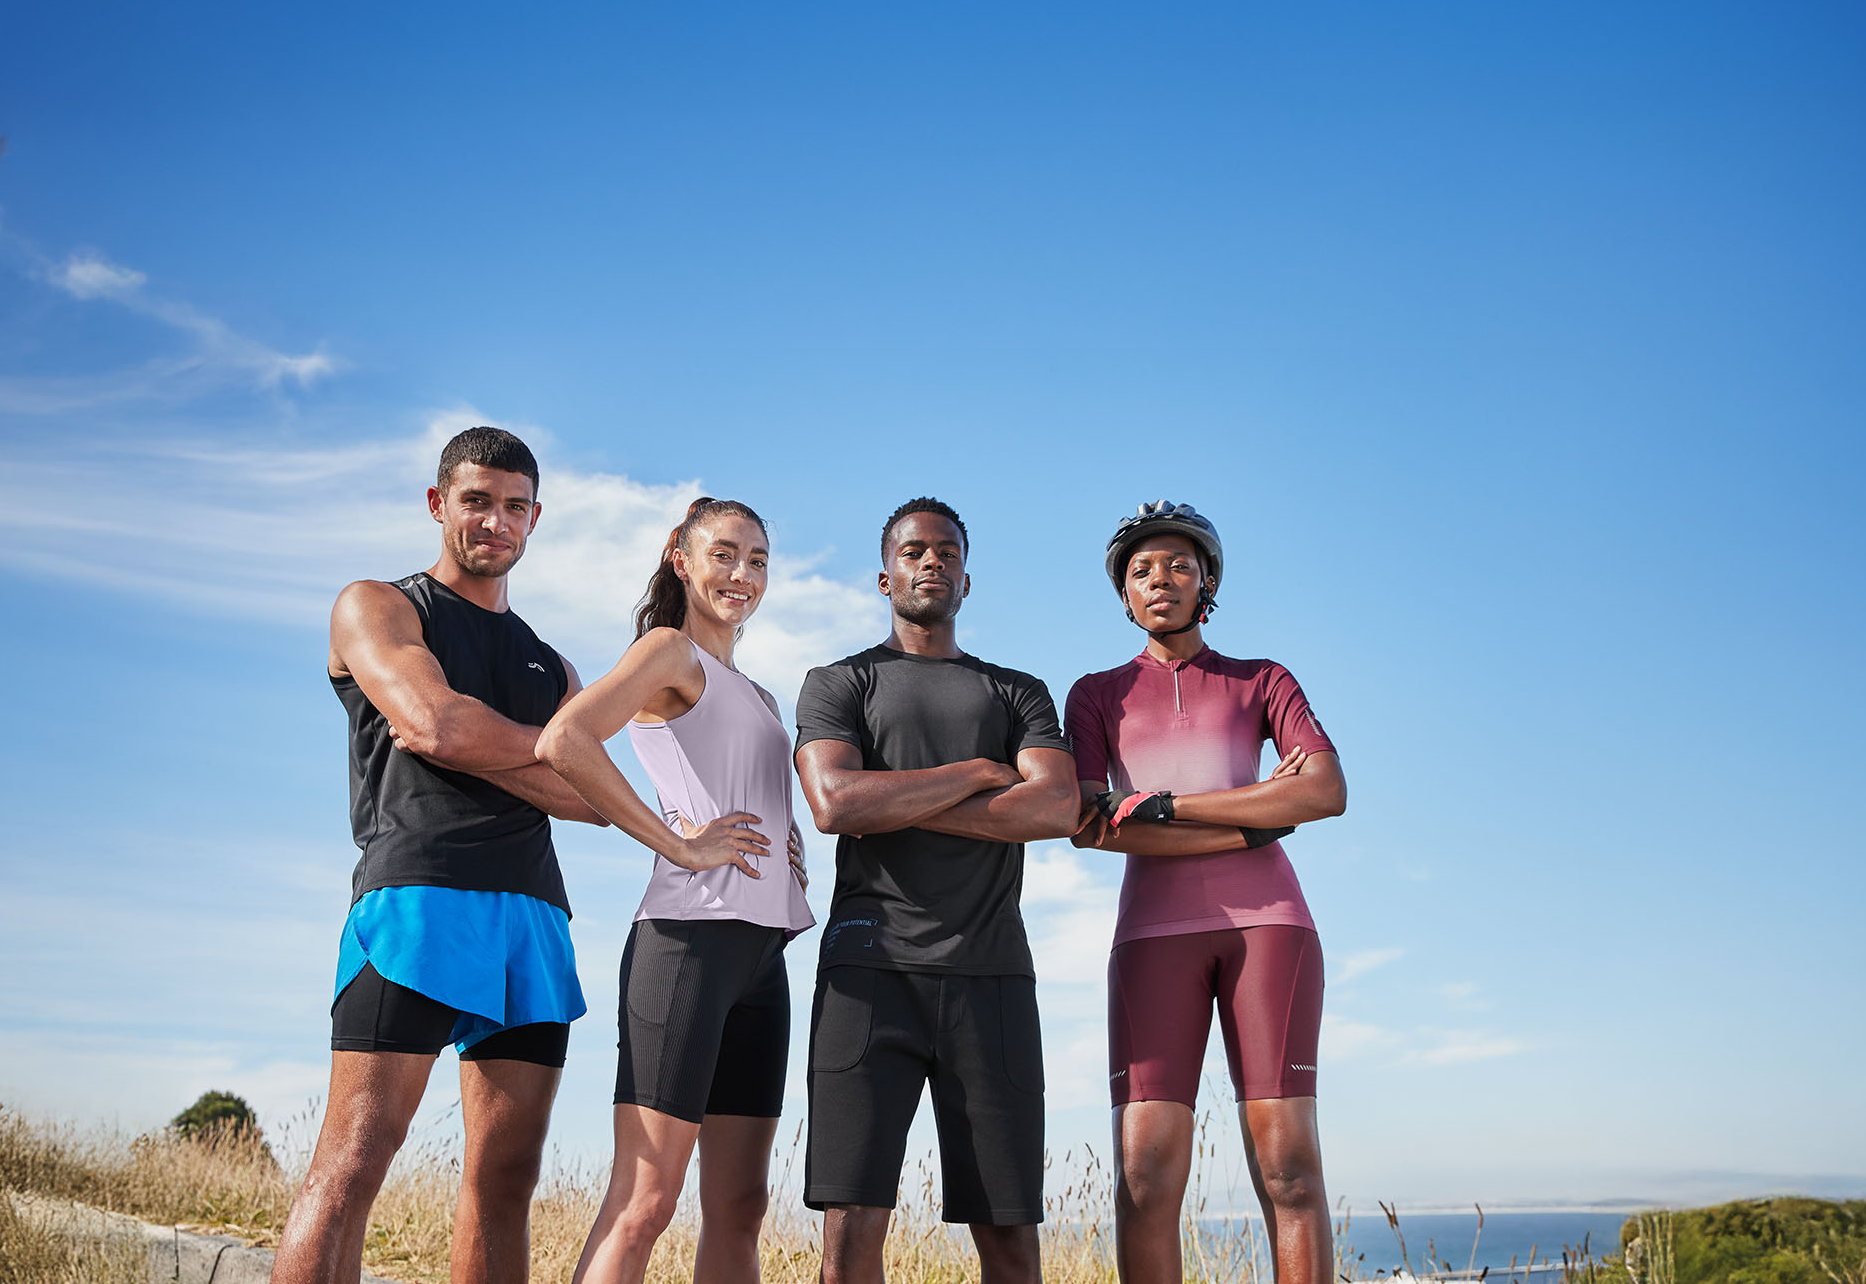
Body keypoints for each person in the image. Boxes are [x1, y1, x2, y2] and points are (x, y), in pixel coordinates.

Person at [274, 427, 609, 1284]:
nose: (496, 521)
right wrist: (544, 752)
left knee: (506, 1179)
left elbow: (595, 797)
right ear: (438, 504)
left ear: (535, 519)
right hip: (419, 897)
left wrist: (476, 743)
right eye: (477, 501)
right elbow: (431, 722)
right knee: (353, 1162)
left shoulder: (553, 665)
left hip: (534, 914)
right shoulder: (379, 606)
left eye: (514, 506)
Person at [794, 498, 1081, 1284]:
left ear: (967, 578)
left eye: (948, 552)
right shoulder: (839, 682)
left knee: (1010, 1234)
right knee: (852, 1229)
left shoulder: (1017, 691)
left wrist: (896, 801)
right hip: (868, 974)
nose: (931, 563)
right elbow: (835, 803)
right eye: (914, 551)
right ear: (884, 577)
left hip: (992, 978)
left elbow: (1057, 807)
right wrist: (980, 773)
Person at [1063, 500, 1348, 1284]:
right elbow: (1088, 824)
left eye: (1180, 566)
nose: (1161, 580)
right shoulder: (1095, 694)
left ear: (1207, 582)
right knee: (1145, 1176)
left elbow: (1325, 791)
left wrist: (1163, 807)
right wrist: (1257, 820)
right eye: (1142, 570)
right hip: (1151, 937)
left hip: (1271, 929)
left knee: (1289, 1167)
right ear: (1124, 593)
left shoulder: (1262, 679)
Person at [535, 497, 816, 1284]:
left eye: (757, 561)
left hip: (762, 959)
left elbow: (742, 785)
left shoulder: (759, 695)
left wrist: (788, 838)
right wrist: (680, 844)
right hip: (688, 943)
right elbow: (564, 739)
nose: (742, 574)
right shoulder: (669, 653)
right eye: (724, 554)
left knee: (741, 1206)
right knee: (646, 1200)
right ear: (680, 558)